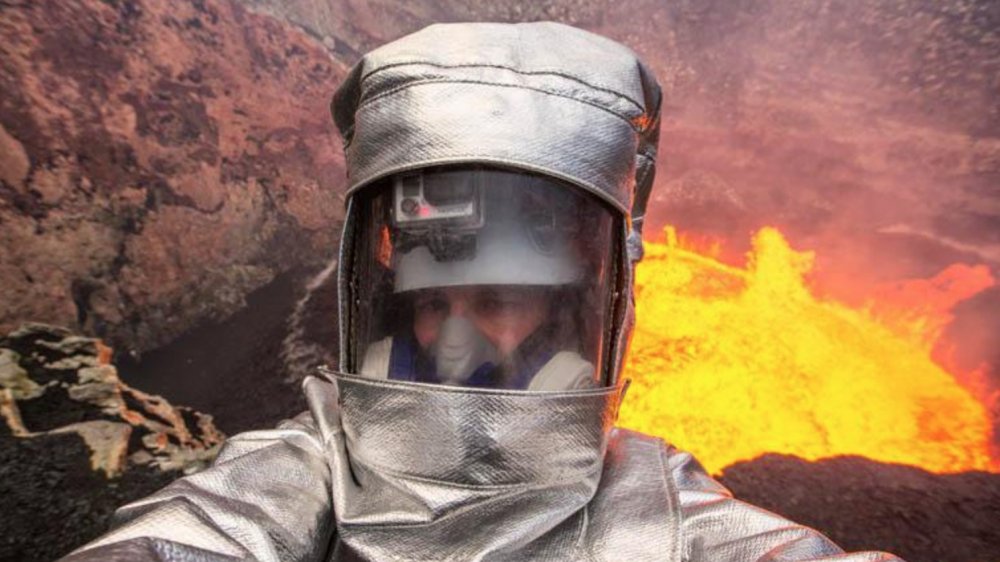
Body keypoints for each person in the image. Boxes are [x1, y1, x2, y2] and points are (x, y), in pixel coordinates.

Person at [64, 22, 903, 561]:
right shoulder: (320, 451)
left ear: (575, 314)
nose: (453, 340)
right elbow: (203, 530)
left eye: (497, 301)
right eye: (433, 304)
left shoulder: (655, 505)